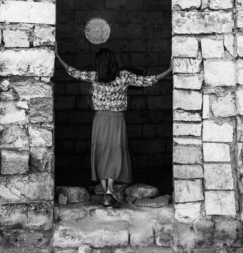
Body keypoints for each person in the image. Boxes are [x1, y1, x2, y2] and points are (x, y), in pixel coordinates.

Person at [55, 46, 172, 207]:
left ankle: (105, 194)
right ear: (113, 62)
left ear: (98, 63)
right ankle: (110, 188)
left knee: (101, 153)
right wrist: (169, 70)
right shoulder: (124, 76)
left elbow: (72, 71)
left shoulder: (94, 76)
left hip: (100, 120)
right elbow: (147, 80)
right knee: (115, 152)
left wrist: (57, 55)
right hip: (117, 120)